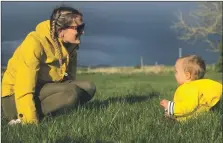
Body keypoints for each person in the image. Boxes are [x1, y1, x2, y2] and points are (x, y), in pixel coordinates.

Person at [1, 6, 96, 125]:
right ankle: (19, 118)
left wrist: (68, 100)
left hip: (44, 87)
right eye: (79, 28)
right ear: (61, 31)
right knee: (72, 93)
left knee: (89, 88)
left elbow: (69, 79)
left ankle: (54, 110)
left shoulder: (70, 46)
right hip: (15, 97)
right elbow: (23, 87)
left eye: (83, 26)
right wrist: (30, 121)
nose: (83, 32)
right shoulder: (34, 43)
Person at [160, 55, 222, 121]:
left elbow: (187, 107)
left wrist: (170, 107)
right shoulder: (198, 86)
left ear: (187, 75)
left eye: (176, 71)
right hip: (198, 117)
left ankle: (171, 117)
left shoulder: (189, 88)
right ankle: (170, 115)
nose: (175, 74)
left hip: (187, 119)